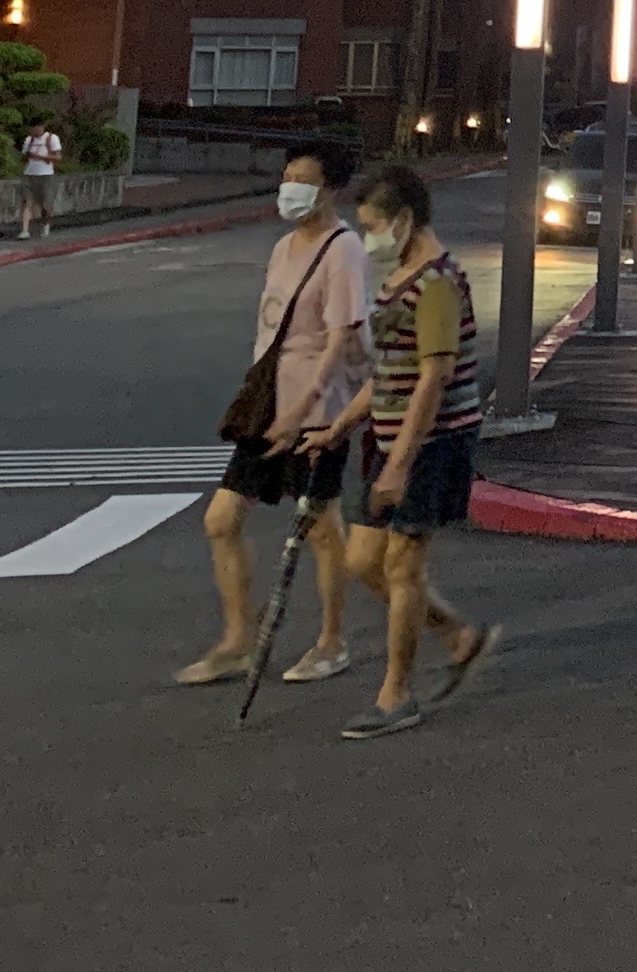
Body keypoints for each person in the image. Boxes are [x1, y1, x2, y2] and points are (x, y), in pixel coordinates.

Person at [177, 144, 369, 689]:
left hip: (317, 412)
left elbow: (341, 341)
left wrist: (303, 413)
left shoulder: (344, 250)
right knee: (221, 520)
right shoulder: (284, 246)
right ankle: (239, 640)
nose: (291, 189)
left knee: (321, 530)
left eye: (303, 179)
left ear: (329, 189)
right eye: (287, 178)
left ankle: (333, 642)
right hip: (268, 407)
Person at [316, 162, 495, 739]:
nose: (367, 236)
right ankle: (459, 636)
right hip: (386, 440)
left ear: (405, 220)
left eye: (372, 224)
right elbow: (389, 372)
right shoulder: (397, 279)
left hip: (431, 444)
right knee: (363, 561)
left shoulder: (439, 282)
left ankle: (397, 694)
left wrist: (399, 464)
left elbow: (432, 378)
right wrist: (340, 425)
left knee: (402, 565)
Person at [17, 119, 65, 238]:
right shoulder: (29, 140)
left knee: (45, 205)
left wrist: (40, 156)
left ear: (43, 128)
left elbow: (58, 157)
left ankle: (45, 225)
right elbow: (23, 158)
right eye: (34, 128)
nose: (36, 130)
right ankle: (25, 230)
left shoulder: (51, 138)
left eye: (38, 127)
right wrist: (28, 154)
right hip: (29, 174)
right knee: (27, 202)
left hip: (46, 175)